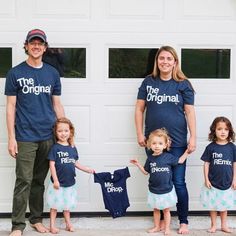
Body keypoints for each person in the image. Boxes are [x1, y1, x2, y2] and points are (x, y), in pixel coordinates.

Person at [4, 29, 65, 236]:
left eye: (40, 43)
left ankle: (36, 219)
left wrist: (64, 131)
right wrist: (11, 138)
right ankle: (17, 226)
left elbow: (57, 105)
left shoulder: (52, 73)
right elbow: (10, 107)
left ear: (45, 47)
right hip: (25, 136)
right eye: (33, 43)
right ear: (26, 46)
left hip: (47, 135)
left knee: (39, 180)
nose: (36, 46)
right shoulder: (15, 73)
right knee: (24, 181)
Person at [135, 45, 196, 234]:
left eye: (169, 58)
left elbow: (189, 112)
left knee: (178, 182)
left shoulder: (183, 84)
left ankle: (183, 220)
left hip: (177, 143)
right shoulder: (148, 82)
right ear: (157, 61)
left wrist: (193, 137)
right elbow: (139, 109)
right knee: (159, 181)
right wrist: (139, 133)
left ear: (175, 62)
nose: (165, 62)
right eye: (162, 58)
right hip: (154, 144)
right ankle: (161, 220)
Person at [130, 129, 188, 235]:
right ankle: (157, 226)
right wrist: (138, 164)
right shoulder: (150, 159)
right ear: (149, 145)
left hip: (166, 190)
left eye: (160, 143)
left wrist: (187, 152)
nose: (157, 146)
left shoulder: (168, 157)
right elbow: (145, 172)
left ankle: (167, 228)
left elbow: (180, 161)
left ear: (165, 145)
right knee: (156, 210)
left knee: (166, 210)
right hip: (154, 190)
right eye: (154, 143)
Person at [46, 117, 95, 233]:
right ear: (56, 132)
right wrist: (56, 180)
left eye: (66, 131)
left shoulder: (72, 148)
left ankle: (68, 224)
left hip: (69, 183)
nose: (63, 133)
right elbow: (51, 165)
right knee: (54, 206)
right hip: (57, 184)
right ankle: (52, 226)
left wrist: (87, 169)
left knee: (66, 207)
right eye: (60, 131)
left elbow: (75, 163)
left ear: (70, 132)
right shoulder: (55, 148)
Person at [200, 116, 236, 233]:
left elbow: (234, 164)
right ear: (214, 130)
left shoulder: (232, 147)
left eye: (226, 129)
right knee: (213, 205)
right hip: (213, 182)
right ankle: (214, 225)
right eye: (219, 129)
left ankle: (224, 225)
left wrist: (234, 179)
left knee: (224, 206)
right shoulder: (211, 147)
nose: (223, 132)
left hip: (227, 182)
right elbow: (206, 164)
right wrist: (206, 179)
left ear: (229, 131)